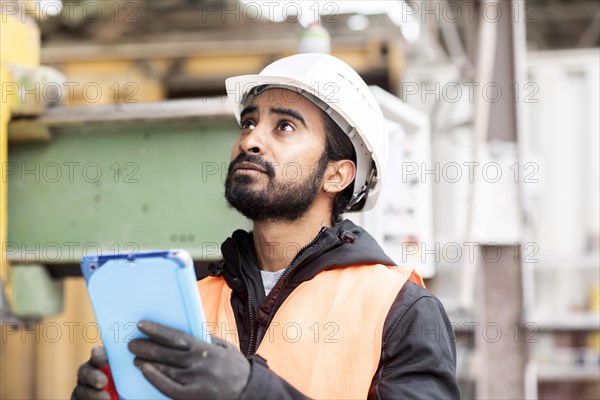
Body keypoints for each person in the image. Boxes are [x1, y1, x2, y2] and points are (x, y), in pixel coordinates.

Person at [72, 53, 460, 400]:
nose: (250, 140)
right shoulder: (188, 300)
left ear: (336, 175)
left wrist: (250, 390)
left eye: (285, 127)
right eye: (249, 123)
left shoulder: (401, 309)